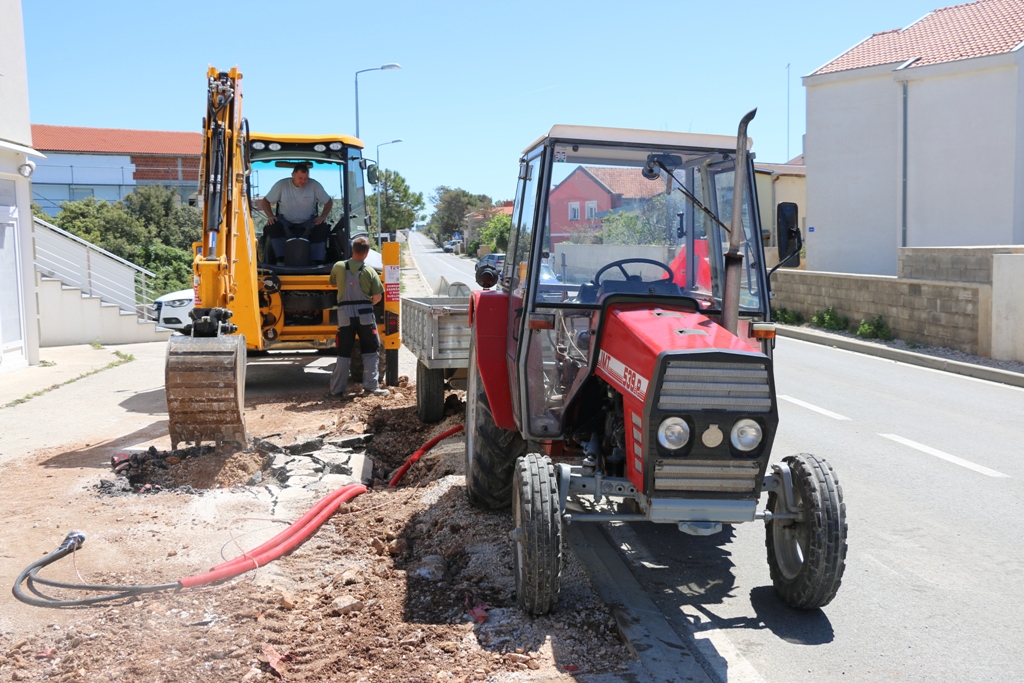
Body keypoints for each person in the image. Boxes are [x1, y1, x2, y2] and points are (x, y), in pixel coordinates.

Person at [327, 236, 388, 398]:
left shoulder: (339, 267)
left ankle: (337, 390)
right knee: (370, 350)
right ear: (367, 253)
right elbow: (377, 297)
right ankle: (371, 387)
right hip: (365, 314)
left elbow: (333, 283)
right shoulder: (370, 271)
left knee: (343, 352)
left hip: (345, 313)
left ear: (352, 250)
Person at [259, 164, 333, 265]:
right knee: (271, 226)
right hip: (285, 223)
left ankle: (317, 261)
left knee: (322, 227)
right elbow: (265, 201)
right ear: (293, 175)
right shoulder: (282, 185)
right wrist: (270, 216)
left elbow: (328, 202)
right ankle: (281, 259)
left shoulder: (314, 186)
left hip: (309, 223)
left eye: (305, 178)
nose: (303, 181)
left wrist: (323, 216)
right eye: (300, 178)